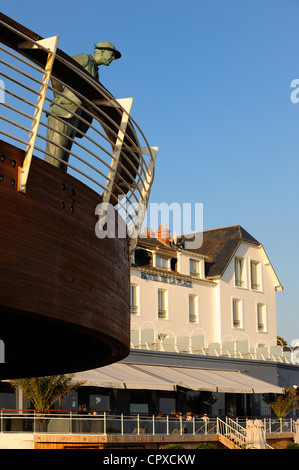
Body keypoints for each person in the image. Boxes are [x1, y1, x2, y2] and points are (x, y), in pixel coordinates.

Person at [45, 41, 121, 171]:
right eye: (112, 54)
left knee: (63, 164)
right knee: (54, 159)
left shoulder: (96, 73)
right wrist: (58, 96)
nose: (113, 58)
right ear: (102, 51)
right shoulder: (85, 58)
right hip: (64, 111)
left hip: (75, 117)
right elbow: (57, 67)